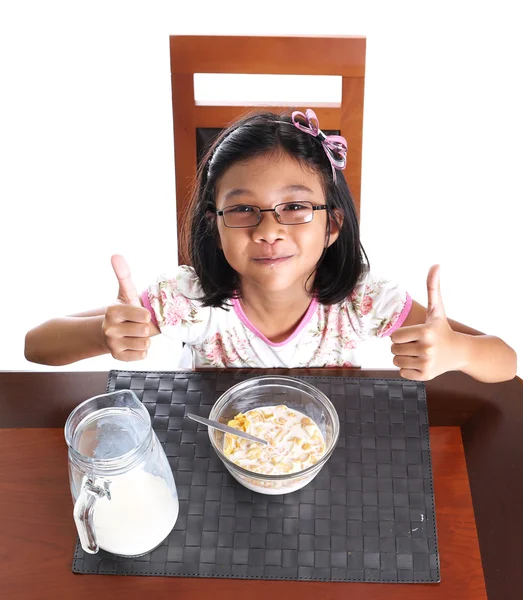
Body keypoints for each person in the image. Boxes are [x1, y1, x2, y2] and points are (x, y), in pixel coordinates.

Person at [25, 109, 516, 382]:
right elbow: (37, 345)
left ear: (333, 225)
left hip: (322, 446)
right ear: (213, 225)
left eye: (296, 207)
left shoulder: (362, 300)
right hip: (217, 445)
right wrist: (102, 336)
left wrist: (456, 352)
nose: (267, 231)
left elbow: (506, 361)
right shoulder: (189, 301)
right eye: (242, 210)